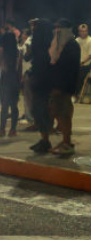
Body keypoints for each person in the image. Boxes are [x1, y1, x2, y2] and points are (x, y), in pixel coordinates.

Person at [49, 19, 80, 155]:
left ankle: (67, 143)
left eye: (59, 28)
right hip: (58, 85)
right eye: (56, 28)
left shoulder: (71, 45)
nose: (57, 31)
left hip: (64, 87)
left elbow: (70, 70)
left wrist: (62, 87)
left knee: (64, 115)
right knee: (57, 112)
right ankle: (65, 140)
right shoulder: (62, 45)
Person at [27, 18, 55, 153]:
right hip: (41, 79)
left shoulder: (45, 44)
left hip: (43, 81)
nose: (33, 29)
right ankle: (44, 139)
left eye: (36, 27)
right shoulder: (46, 43)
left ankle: (45, 141)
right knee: (38, 111)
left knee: (40, 111)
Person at [0, 22, 22, 137]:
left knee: (5, 105)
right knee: (14, 105)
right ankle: (13, 129)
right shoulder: (18, 52)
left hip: (5, 79)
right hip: (15, 79)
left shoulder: (2, 52)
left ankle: (2, 129)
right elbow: (20, 68)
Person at [77, 23, 91, 100]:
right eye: (81, 31)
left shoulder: (90, 40)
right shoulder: (76, 41)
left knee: (80, 75)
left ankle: (77, 94)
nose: (83, 33)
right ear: (78, 32)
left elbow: (90, 55)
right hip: (77, 64)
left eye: (84, 31)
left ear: (87, 31)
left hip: (86, 65)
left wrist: (81, 62)